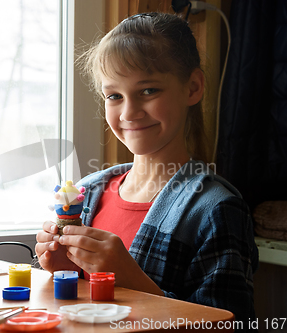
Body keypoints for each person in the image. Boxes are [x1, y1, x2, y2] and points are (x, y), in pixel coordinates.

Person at [35, 12, 258, 330]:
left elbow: (229, 325)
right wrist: (61, 272)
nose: (129, 112)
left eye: (149, 90)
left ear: (193, 87)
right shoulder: (87, 192)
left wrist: (132, 282)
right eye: (114, 96)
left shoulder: (216, 209)